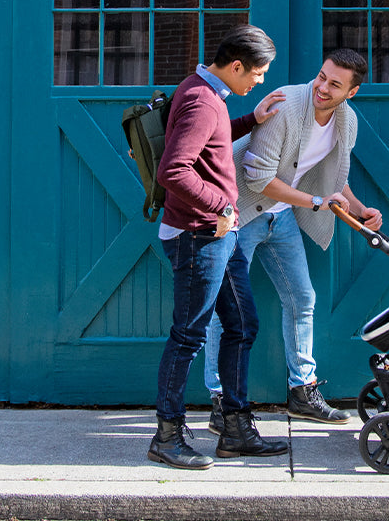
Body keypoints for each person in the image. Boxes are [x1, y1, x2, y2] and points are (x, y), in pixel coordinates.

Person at [203, 48, 383, 427]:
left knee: (302, 298)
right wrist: (318, 201)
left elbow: (336, 175)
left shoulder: (346, 121)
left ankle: (302, 391)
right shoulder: (287, 105)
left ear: (351, 92)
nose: (322, 87)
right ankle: (221, 398)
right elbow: (258, 179)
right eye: (321, 76)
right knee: (228, 309)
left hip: (280, 217)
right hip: (241, 212)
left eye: (335, 84)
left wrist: (359, 208)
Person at [148, 25, 289, 470]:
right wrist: (221, 206)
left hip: (216, 237)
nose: (259, 82)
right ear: (235, 66)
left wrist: (252, 121)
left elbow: (208, 141)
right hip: (198, 236)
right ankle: (166, 437)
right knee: (188, 336)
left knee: (242, 325)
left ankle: (235, 430)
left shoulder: (206, 95)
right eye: (258, 73)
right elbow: (173, 170)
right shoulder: (198, 99)